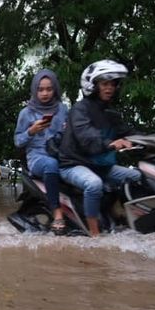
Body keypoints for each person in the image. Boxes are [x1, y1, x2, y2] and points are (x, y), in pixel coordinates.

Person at [58, 59, 143, 237]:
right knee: (93, 184)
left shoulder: (110, 113)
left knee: (137, 177)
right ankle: (94, 234)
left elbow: (131, 133)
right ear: (93, 85)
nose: (109, 88)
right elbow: (87, 136)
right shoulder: (79, 110)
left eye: (113, 84)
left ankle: (121, 217)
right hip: (73, 164)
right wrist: (111, 144)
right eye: (105, 84)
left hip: (100, 166)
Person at [14, 69, 70, 234]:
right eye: (40, 89)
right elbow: (17, 141)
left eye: (49, 89)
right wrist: (31, 131)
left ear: (55, 90)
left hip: (60, 153)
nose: (45, 93)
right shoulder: (26, 113)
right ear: (34, 90)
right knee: (50, 164)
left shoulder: (62, 109)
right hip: (37, 158)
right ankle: (57, 212)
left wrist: (67, 130)